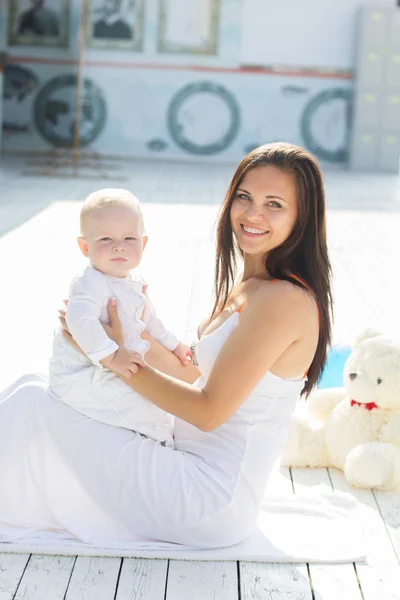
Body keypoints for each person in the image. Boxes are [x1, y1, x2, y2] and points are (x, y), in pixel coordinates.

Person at [0, 143, 332, 549]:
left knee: (31, 404)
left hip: (208, 497)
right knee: (33, 389)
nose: (252, 214)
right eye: (244, 197)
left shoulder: (282, 300)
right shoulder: (249, 287)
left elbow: (209, 412)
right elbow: (191, 371)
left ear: (302, 217)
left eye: (274, 204)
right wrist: (126, 332)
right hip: (179, 459)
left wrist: (118, 361)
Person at [48, 188, 191, 447]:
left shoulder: (133, 284)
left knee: (146, 399)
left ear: (143, 243)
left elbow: (151, 323)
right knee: (135, 405)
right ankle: (157, 440)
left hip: (108, 367)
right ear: (84, 246)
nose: (118, 246)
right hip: (80, 375)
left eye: (129, 238)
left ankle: (157, 431)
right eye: (105, 239)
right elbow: (80, 322)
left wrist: (175, 345)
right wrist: (112, 356)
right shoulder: (90, 283)